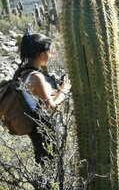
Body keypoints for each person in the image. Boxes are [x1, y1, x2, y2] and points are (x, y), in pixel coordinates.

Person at [14, 25, 71, 164]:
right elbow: (51, 108)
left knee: (43, 163)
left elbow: (36, 98)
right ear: (41, 55)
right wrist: (64, 91)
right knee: (51, 164)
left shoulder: (22, 73)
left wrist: (53, 93)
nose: (50, 55)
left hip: (36, 131)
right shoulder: (36, 77)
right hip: (45, 130)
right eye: (49, 52)